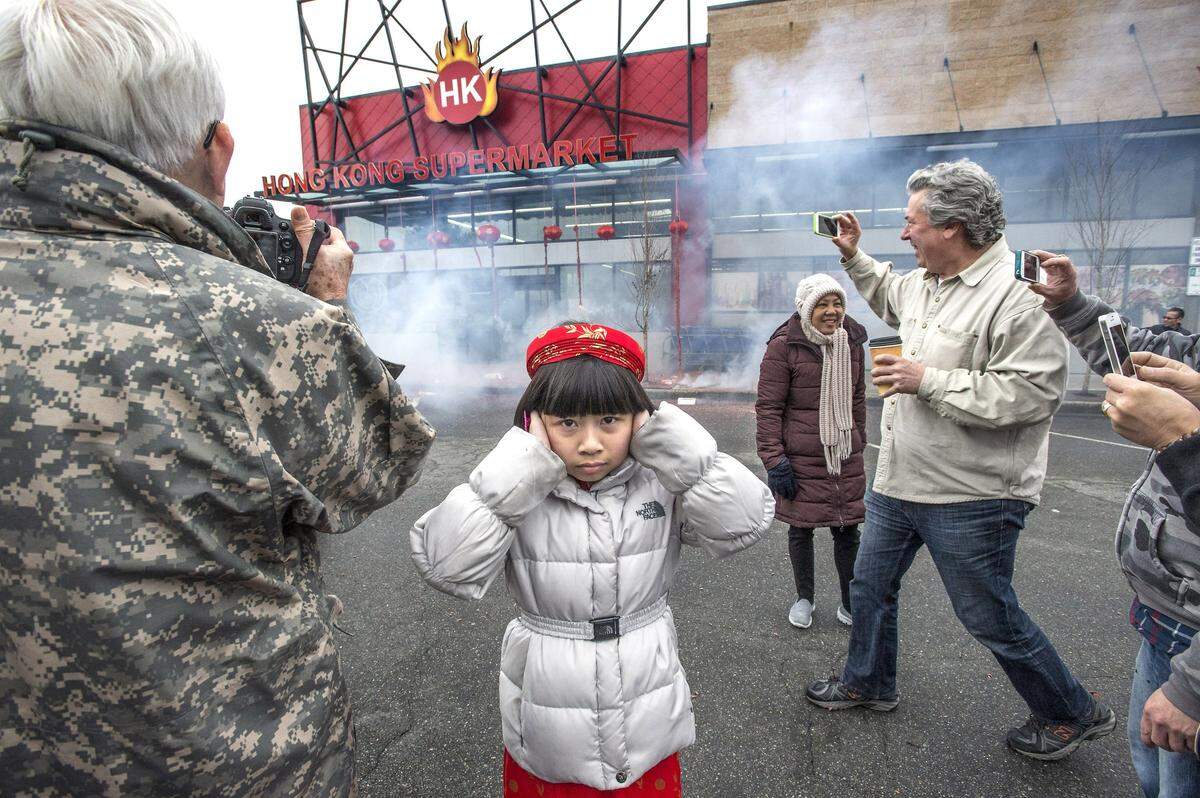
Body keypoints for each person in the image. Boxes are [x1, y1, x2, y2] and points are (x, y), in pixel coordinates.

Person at [0, 1, 435, 795]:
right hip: (225, 763)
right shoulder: (252, 318)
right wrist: (322, 306)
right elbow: (373, 468)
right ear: (217, 146)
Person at [804, 159, 1115, 761]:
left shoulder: (1023, 296)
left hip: (975, 493)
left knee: (987, 614)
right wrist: (852, 257)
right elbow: (890, 293)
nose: (903, 234)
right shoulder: (926, 280)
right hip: (902, 481)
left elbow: (1033, 394)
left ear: (952, 228)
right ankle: (869, 682)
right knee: (869, 586)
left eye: (911, 222)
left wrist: (928, 380)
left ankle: (1072, 711)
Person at [410, 322, 773, 796]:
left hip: (647, 705)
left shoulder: (661, 480)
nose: (589, 443)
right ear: (536, 422)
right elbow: (445, 564)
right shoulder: (518, 487)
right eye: (567, 423)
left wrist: (678, 451)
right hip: (549, 716)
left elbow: (744, 522)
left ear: (639, 420)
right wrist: (518, 470)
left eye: (609, 420)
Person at [1029, 255, 1200, 795]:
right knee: (1151, 770)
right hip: (1166, 613)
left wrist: (1184, 436)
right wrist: (1071, 306)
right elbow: (1140, 359)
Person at [756, 273, 867, 629]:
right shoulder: (785, 345)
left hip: (843, 452)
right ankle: (804, 598)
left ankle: (851, 601)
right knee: (801, 528)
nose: (832, 312)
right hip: (799, 456)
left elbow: (858, 398)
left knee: (847, 528)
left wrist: (858, 439)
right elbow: (768, 407)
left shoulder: (852, 342)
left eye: (837, 303)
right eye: (822, 304)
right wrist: (775, 461)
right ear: (806, 308)